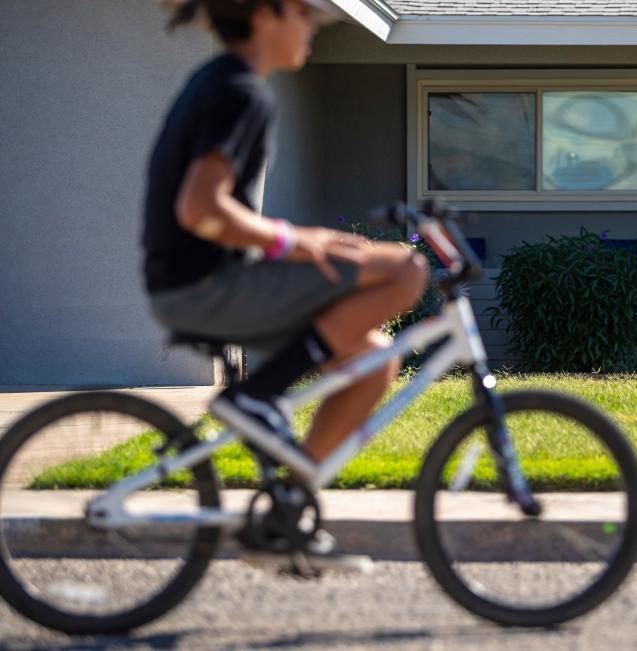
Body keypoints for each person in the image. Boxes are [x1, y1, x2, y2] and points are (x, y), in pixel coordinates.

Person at [143, 0, 429, 569]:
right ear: (265, 15)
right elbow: (201, 207)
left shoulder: (225, 83)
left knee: (374, 360)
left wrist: (310, 240)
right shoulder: (238, 90)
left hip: (207, 281)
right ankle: (257, 396)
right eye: (305, 15)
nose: (313, 30)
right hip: (204, 286)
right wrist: (294, 243)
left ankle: (282, 518)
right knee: (406, 270)